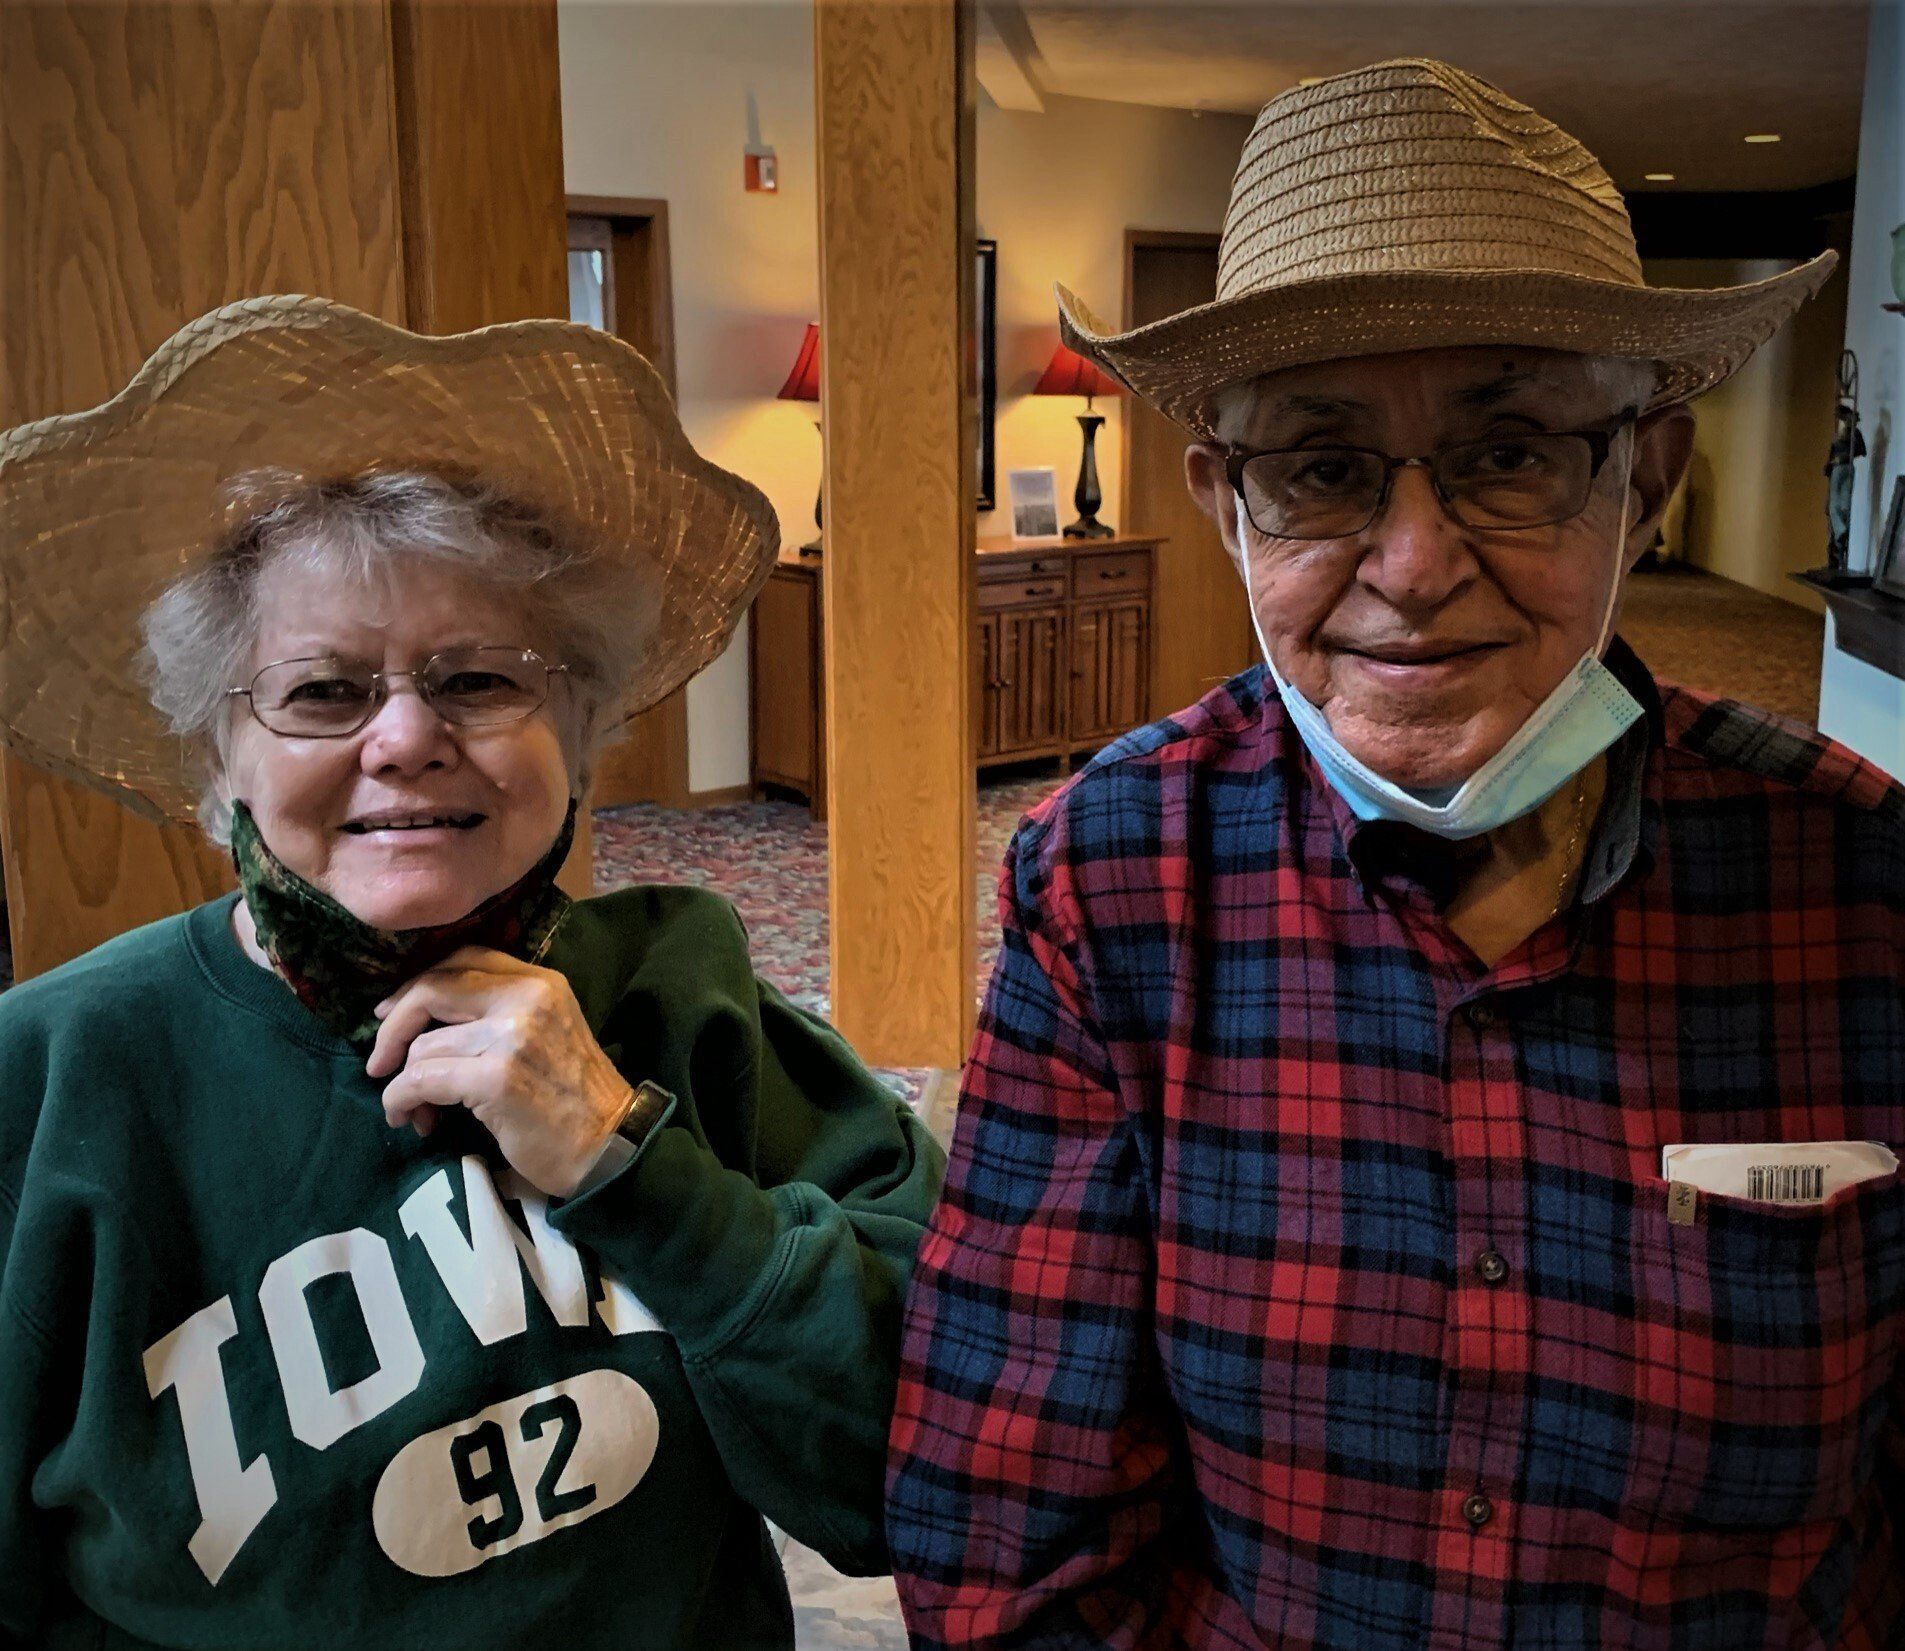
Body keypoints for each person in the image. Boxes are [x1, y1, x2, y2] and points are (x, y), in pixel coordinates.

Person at [888, 58, 1904, 1648]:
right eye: (1320, 467)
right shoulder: (1114, 875)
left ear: (1643, 479)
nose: (1414, 567)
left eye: (1508, 450)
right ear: (1226, 504)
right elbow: (1006, 1509)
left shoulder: (1866, 890)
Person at [0, 296, 944, 1647]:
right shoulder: (51, 1077)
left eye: (479, 681)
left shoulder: (690, 996)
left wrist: (633, 1166)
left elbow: (919, 1474)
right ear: (221, 759)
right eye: (323, 693)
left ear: (575, 727)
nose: (404, 739)